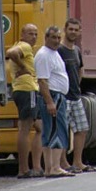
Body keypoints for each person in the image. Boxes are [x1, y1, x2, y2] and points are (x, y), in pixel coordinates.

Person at [34, 26, 74, 178]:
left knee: (50, 132)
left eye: (58, 38)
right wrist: (50, 102)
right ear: (46, 38)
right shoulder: (44, 55)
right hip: (53, 96)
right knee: (58, 130)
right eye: (53, 37)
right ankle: (55, 167)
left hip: (57, 95)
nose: (57, 41)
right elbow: (42, 81)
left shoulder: (54, 53)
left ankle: (50, 168)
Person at [5, 24, 44, 179]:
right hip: (27, 90)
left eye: (35, 34)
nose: (33, 37)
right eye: (30, 33)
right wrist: (24, 67)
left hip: (26, 90)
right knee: (25, 128)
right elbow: (10, 53)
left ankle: (37, 166)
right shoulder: (24, 46)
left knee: (40, 127)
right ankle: (23, 169)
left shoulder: (23, 46)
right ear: (22, 35)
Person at [60, 17, 96, 173]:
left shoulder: (76, 51)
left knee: (81, 129)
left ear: (79, 32)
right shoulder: (59, 50)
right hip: (64, 97)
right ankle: (63, 163)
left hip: (76, 96)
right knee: (62, 131)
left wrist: (77, 85)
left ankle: (78, 162)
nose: (73, 32)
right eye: (71, 29)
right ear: (65, 30)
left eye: (76, 30)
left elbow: (80, 69)